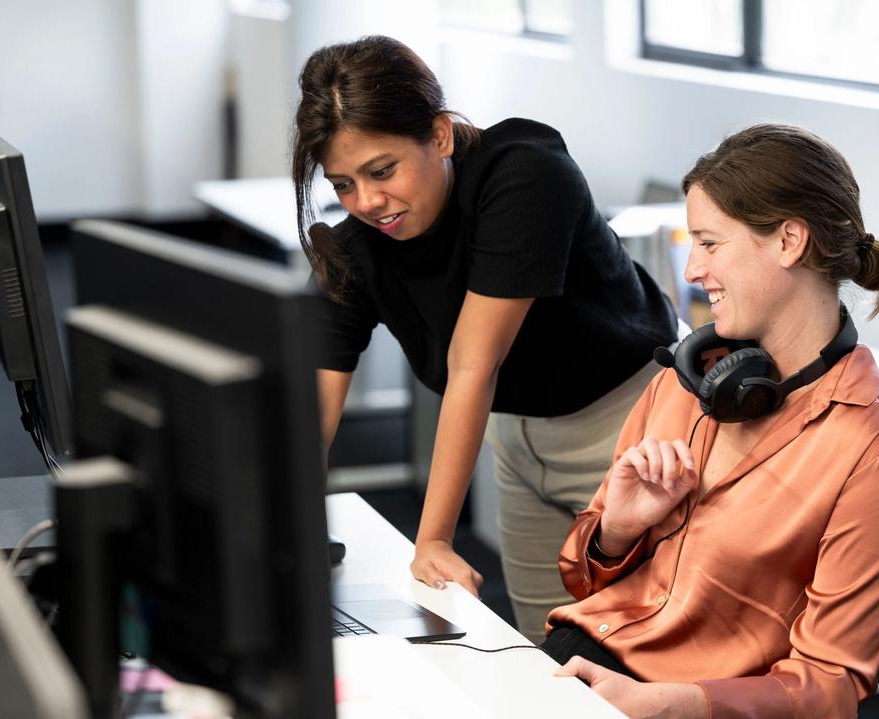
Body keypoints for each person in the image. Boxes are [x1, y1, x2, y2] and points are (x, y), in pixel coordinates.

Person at [290, 35, 679, 643]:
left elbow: (473, 365)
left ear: (439, 135)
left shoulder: (524, 175)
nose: (366, 202)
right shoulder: (356, 251)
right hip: (516, 434)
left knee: (645, 650)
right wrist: (283, 531)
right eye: (342, 184)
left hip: (630, 425)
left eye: (382, 170)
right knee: (550, 650)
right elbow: (311, 407)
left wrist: (435, 539)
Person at [544, 123, 879, 718]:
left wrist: (669, 705)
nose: (692, 269)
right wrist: (616, 532)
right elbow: (581, 579)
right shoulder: (685, 378)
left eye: (710, 243)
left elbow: (831, 687)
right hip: (583, 661)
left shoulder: (873, 451)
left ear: (789, 241)